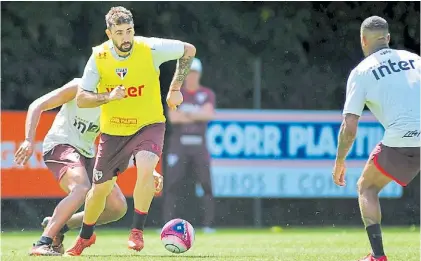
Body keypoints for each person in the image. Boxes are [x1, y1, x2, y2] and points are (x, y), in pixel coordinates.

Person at [64, 6, 196, 256]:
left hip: (150, 123)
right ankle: (85, 236)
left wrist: (175, 88)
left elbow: (188, 50)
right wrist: (108, 96)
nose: (126, 38)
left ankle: (137, 231)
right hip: (114, 131)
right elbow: (81, 99)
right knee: (99, 191)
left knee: (146, 167)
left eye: (129, 31)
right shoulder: (99, 57)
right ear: (109, 33)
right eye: (120, 32)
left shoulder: (150, 48)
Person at [332, 16, 420, 261]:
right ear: (388, 39)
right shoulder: (415, 60)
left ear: (363, 40)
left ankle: (377, 256)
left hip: (402, 140)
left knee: (367, 187)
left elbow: (349, 128)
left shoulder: (361, 72)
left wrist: (339, 161)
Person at [162, 58, 216, 233]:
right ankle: (167, 224)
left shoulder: (207, 93)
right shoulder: (176, 93)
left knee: (206, 183)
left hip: (199, 145)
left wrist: (186, 112)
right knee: (171, 184)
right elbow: (174, 118)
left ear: (199, 74)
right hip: (178, 145)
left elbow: (208, 115)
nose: (191, 76)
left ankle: (208, 225)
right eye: (188, 73)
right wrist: (196, 113)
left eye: (194, 72)